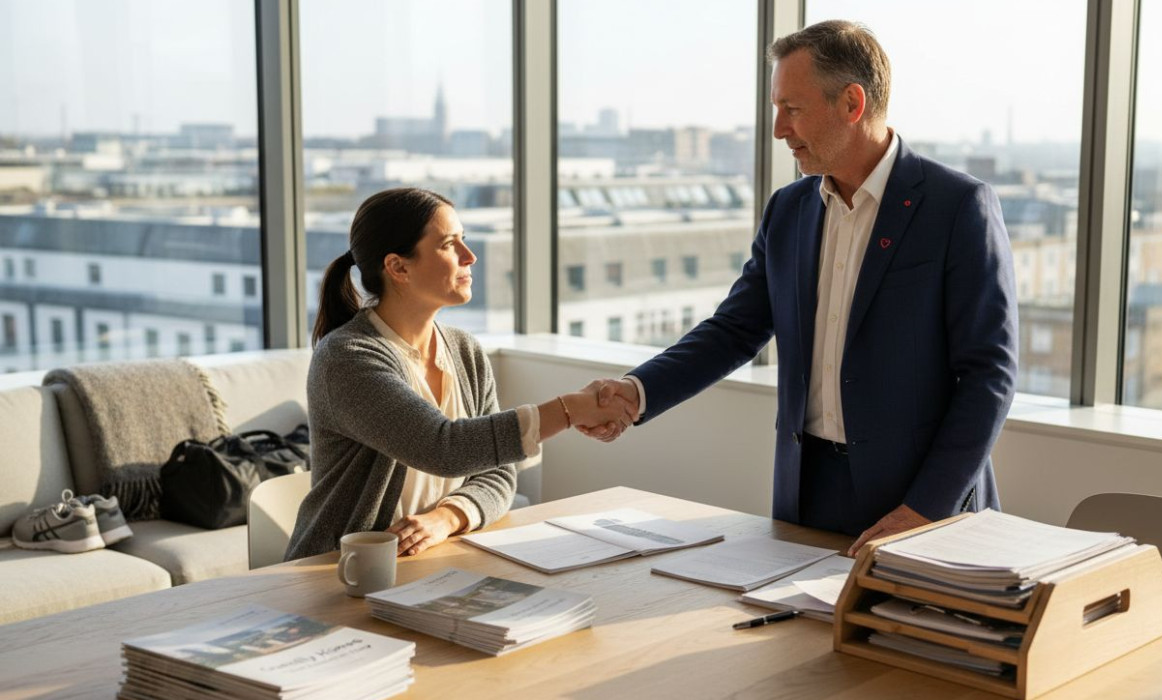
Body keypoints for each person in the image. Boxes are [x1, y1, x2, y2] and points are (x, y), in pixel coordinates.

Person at [586, 20, 1018, 556]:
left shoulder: (957, 207)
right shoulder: (788, 210)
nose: (777, 129)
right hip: (806, 492)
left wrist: (926, 508)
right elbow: (734, 330)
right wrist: (637, 392)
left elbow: (989, 374)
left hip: (921, 502)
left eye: (792, 109)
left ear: (852, 103)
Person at [285, 188, 634, 560]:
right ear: (398, 267)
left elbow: (498, 474)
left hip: (434, 559)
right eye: (450, 245)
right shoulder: (347, 359)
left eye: (463, 241)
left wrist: (445, 518)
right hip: (339, 569)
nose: (470, 256)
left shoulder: (464, 350)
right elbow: (444, 448)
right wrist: (569, 409)